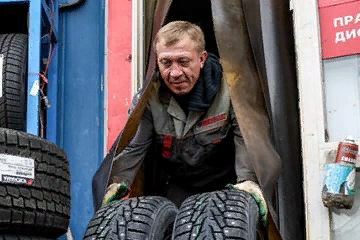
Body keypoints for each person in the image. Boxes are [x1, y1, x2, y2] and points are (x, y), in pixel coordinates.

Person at [102, 20, 268, 225]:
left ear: (202, 59)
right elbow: (134, 146)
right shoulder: (148, 99)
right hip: (179, 186)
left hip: (228, 184)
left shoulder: (232, 90)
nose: (175, 73)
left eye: (183, 61)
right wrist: (117, 181)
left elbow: (247, 138)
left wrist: (248, 180)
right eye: (166, 63)